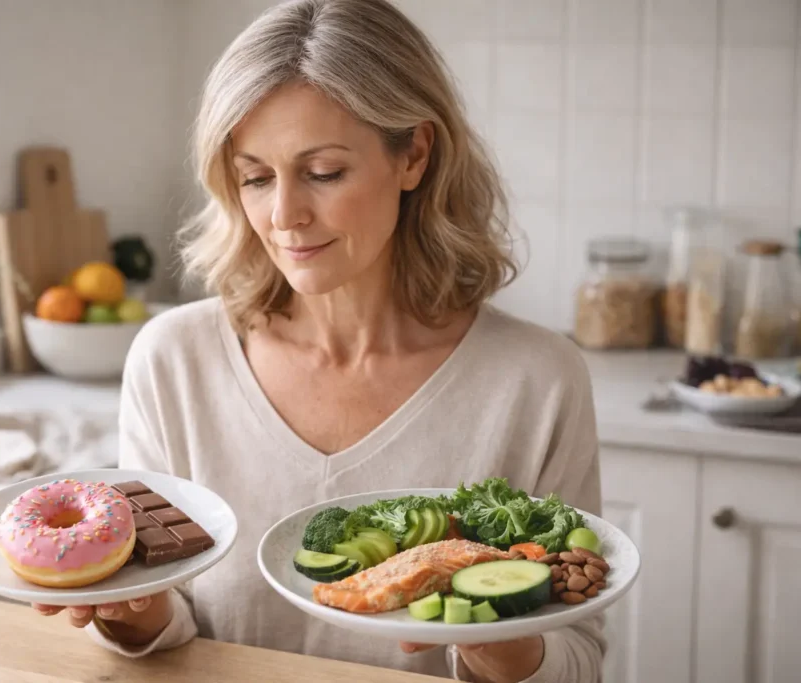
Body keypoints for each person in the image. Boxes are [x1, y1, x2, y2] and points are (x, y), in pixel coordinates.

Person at [32, 0, 606, 680]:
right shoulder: (173, 362)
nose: (284, 216)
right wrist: (132, 611)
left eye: (324, 171)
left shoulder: (535, 381)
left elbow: (579, 656)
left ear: (415, 154)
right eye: (255, 177)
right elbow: (174, 620)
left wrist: (507, 648)